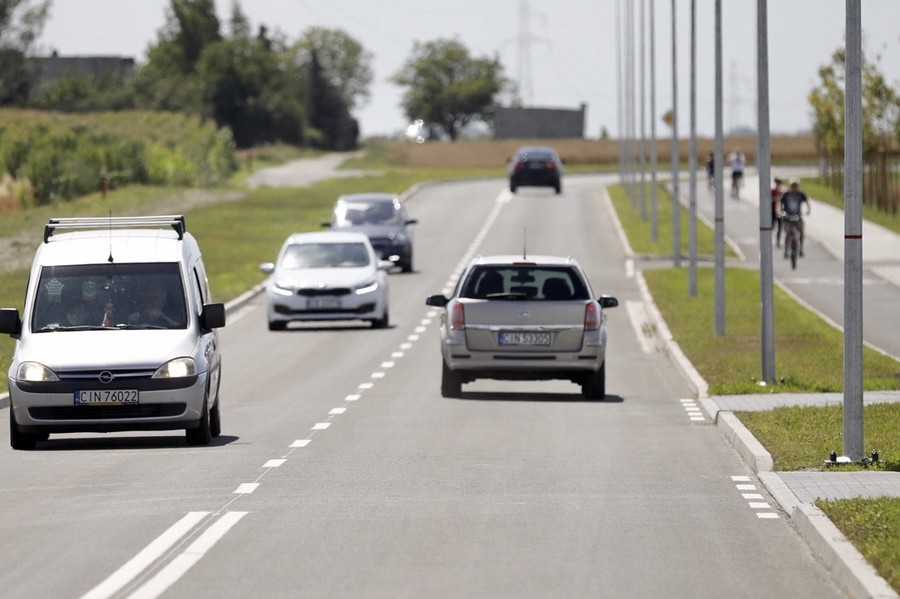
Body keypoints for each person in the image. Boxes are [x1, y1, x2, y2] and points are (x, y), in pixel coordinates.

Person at [779, 178, 811, 257]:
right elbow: (779, 203)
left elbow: (807, 201)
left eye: (795, 186)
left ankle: (801, 249)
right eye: (792, 186)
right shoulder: (786, 194)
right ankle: (786, 250)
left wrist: (808, 210)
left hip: (797, 215)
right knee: (788, 233)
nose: (794, 188)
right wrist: (779, 211)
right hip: (788, 216)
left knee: (801, 231)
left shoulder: (800, 194)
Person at [770, 177, 785, 247]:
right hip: (772, 211)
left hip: (780, 211)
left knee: (780, 227)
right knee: (772, 226)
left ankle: (778, 241)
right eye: (777, 183)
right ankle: (768, 239)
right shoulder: (773, 191)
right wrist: (776, 199)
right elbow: (771, 200)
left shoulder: (782, 192)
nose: (778, 185)